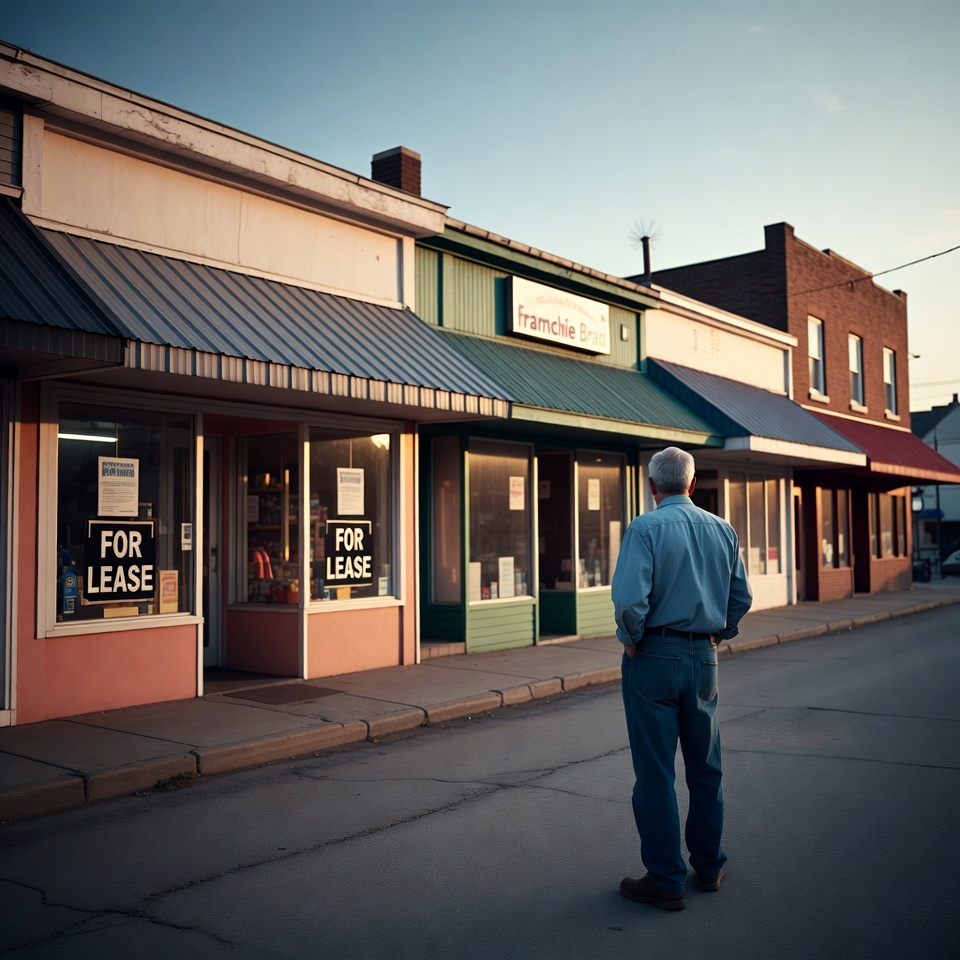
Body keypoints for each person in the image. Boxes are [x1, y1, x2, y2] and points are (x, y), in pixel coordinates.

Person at [611, 446, 752, 911]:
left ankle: (666, 879)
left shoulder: (645, 527)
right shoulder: (723, 529)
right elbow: (740, 597)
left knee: (655, 773)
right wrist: (717, 634)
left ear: (654, 486)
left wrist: (631, 639)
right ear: (693, 484)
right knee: (706, 768)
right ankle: (708, 867)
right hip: (704, 656)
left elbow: (631, 598)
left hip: (653, 653)